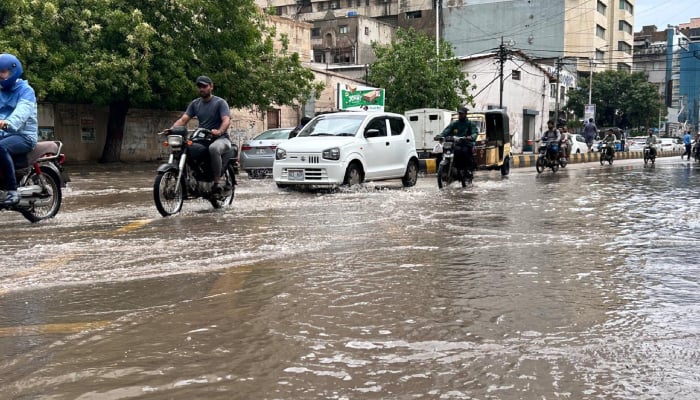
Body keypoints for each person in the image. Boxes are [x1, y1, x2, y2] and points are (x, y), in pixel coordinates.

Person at [170, 75, 231, 193]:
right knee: (185, 146)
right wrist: (172, 129)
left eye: (204, 86)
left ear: (211, 87)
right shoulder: (195, 104)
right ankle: (192, 178)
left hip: (220, 138)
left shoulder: (220, 102)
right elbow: (183, 120)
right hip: (203, 138)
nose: (201, 89)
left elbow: (226, 120)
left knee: (214, 148)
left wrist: (219, 131)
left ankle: (216, 183)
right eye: (199, 86)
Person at [0, 54, 38, 206]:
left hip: (23, 136)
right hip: (4, 133)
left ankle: (12, 190)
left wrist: (7, 123)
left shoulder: (26, 91)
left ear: (13, 71)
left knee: (0, 147)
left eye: (3, 72)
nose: (0, 75)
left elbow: (22, 112)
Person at [439, 106, 477, 173]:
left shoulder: (470, 123)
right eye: (459, 113)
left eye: (462, 114)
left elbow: (475, 133)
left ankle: (467, 169)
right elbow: (447, 130)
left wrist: (470, 137)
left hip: (466, 143)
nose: (460, 115)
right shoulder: (455, 123)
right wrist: (440, 136)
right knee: (451, 150)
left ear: (465, 114)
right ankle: (451, 168)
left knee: (464, 151)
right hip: (456, 144)